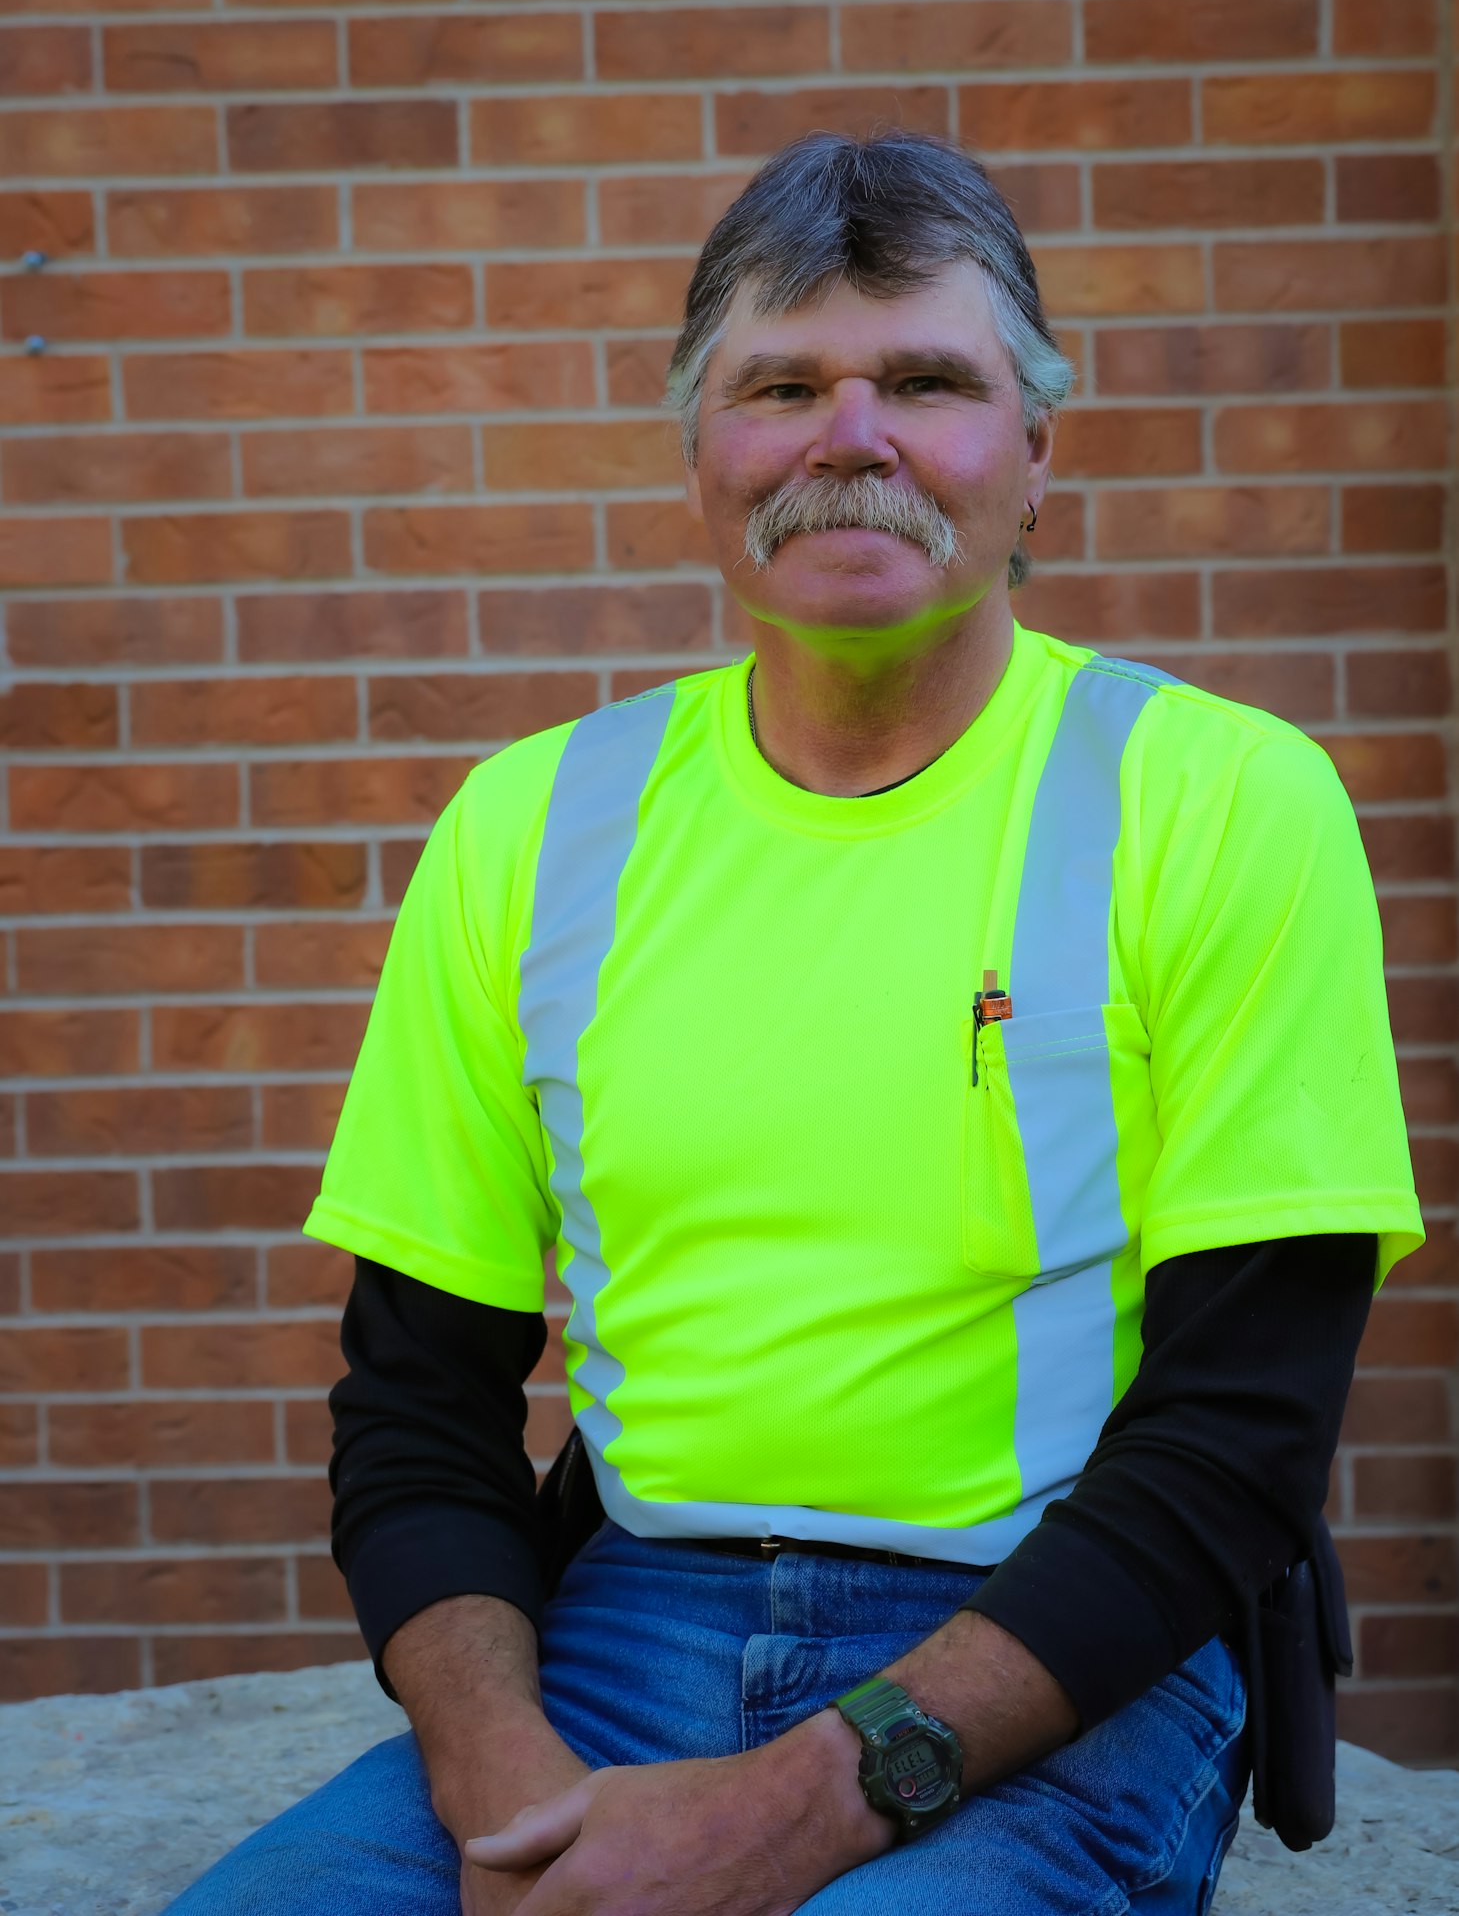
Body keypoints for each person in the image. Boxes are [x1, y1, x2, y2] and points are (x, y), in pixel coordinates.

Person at [166, 130, 1422, 1916]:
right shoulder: (531, 828)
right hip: (621, 1631)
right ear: (701, 452)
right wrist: (509, 1791)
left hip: (1053, 1655)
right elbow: (417, 1405)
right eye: (783, 385)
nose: (853, 438)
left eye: (925, 379)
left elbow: (1240, 1438)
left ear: (1037, 453)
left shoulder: (1218, 802)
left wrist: (807, 1803)